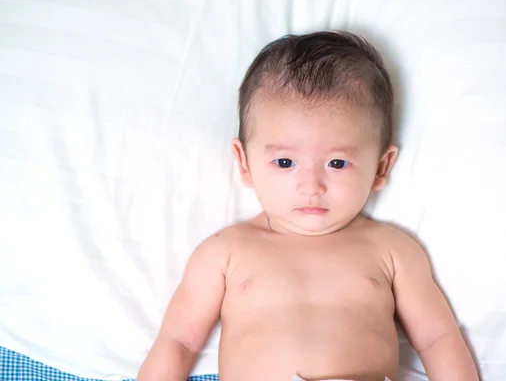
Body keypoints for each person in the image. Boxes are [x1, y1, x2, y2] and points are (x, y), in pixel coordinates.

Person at [137, 31, 478, 381]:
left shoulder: (393, 250)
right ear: (244, 163)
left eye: (337, 163)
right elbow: (178, 343)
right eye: (285, 163)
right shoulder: (225, 251)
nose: (311, 187)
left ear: (380, 167)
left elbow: (439, 340)